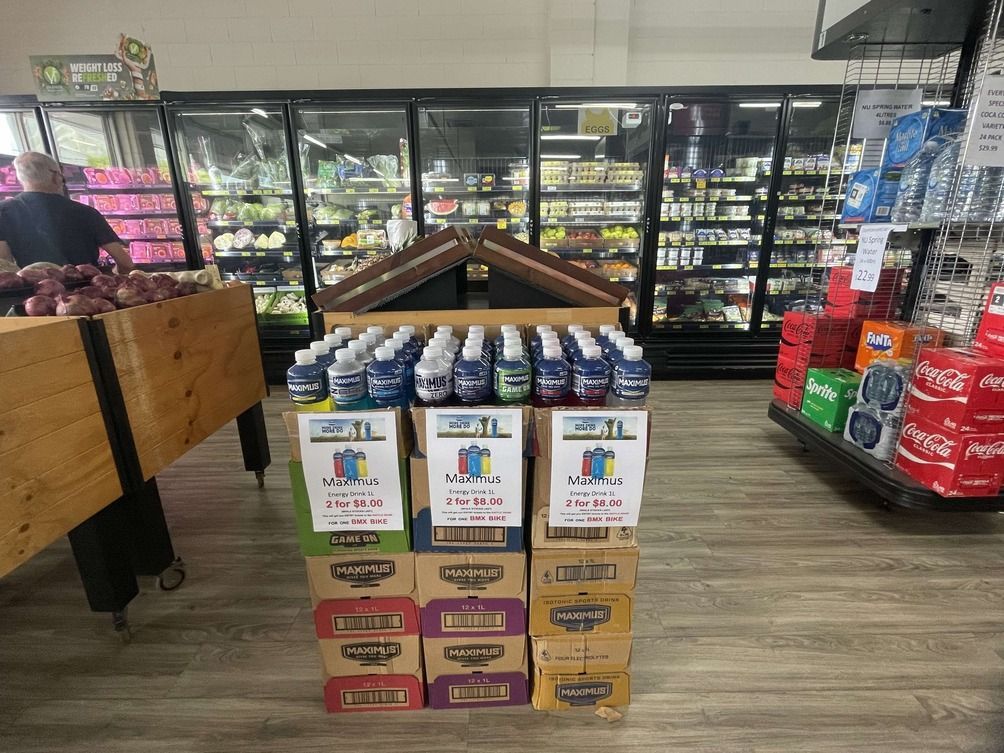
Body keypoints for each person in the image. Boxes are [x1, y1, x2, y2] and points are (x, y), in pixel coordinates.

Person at [0, 152, 134, 272]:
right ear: (55, 177)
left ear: (21, 178)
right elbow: (125, 263)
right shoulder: (86, 212)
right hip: (87, 293)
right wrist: (115, 275)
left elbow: (4, 265)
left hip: (32, 295)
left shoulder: (4, 211)